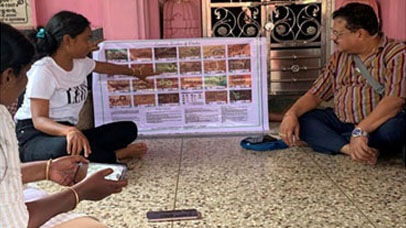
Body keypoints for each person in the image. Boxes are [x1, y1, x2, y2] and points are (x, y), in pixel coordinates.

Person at [0, 21, 127, 228]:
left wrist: (48, 168)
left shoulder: (2, 113)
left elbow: (6, 173)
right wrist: (80, 192)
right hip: (38, 138)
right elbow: (17, 223)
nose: (26, 82)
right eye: (24, 74)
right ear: (7, 77)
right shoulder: (43, 71)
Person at [14, 11, 149, 163]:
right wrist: (69, 131)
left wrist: (136, 72)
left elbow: (107, 68)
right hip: (35, 135)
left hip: (65, 132)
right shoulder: (44, 70)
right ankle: (116, 155)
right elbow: (39, 120)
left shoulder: (80, 63)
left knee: (127, 129)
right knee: (65, 148)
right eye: (86, 39)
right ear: (67, 40)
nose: (90, 44)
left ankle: (92, 153)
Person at [279, 3, 405, 165]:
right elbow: (316, 94)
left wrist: (361, 130)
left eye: (338, 33)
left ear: (359, 34)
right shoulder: (339, 57)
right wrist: (291, 114)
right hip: (341, 121)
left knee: (395, 128)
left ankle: (344, 142)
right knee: (303, 120)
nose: (333, 38)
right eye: (333, 32)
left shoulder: (396, 54)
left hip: (377, 125)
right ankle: (349, 148)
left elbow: (394, 100)